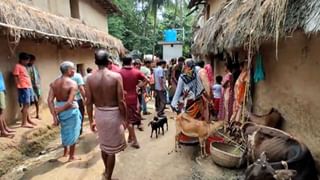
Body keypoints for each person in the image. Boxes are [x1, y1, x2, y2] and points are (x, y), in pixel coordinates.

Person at [86, 50, 127, 180]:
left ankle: (106, 171)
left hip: (100, 114)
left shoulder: (89, 78)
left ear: (95, 62)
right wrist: (124, 119)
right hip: (113, 114)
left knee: (104, 146)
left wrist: (92, 120)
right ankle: (108, 176)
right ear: (108, 61)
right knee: (112, 151)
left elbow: (88, 102)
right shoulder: (115, 77)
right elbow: (121, 101)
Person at [47, 61, 81, 162]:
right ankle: (72, 156)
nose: (74, 71)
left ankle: (65, 152)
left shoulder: (54, 83)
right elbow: (70, 102)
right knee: (74, 131)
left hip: (59, 108)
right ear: (69, 71)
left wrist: (55, 115)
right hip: (70, 110)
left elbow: (49, 100)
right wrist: (61, 109)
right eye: (73, 69)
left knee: (65, 130)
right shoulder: (73, 83)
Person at [119, 56, 148, 149]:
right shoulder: (136, 71)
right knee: (131, 119)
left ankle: (134, 140)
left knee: (128, 120)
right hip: (134, 99)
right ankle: (130, 138)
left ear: (123, 62)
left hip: (123, 98)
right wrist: (138, 86)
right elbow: (146, 80)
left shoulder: (119, 73)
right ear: (131, 62)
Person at [13, 52, 37, 128]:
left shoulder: (24, 67)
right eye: (26, 60)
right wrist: (18, 85)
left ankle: (28, 119)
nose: (27, 62)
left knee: (28, 104)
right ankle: (24, 123)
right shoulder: (18, 66)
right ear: (21, 60)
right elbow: (15, 76)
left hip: (28, 87)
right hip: (23, 87)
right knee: (26, 104)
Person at [0, 71, 15, 138]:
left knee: (1, 112)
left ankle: (5, 128)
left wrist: (4, 90)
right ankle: (3, 131)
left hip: (1, 90)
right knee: (0, 112)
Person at [27, 54, 41, 119]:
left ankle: (38, 114)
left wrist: (38, 84)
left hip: (36, 87)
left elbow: (38, 76)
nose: (32, 62)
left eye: (33, 61)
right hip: (29, 87)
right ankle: (28, 116)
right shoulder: (26, 68)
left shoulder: (34, 67)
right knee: (28, 102)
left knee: (37, 101)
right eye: (31, 61)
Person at [71, 71, 86, 135]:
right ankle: (79, 130)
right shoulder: (77, 76)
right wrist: (85, 99)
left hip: (67, 101)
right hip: (77, 99)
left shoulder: (60, 77)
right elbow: (81, 88)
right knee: (80, 115)